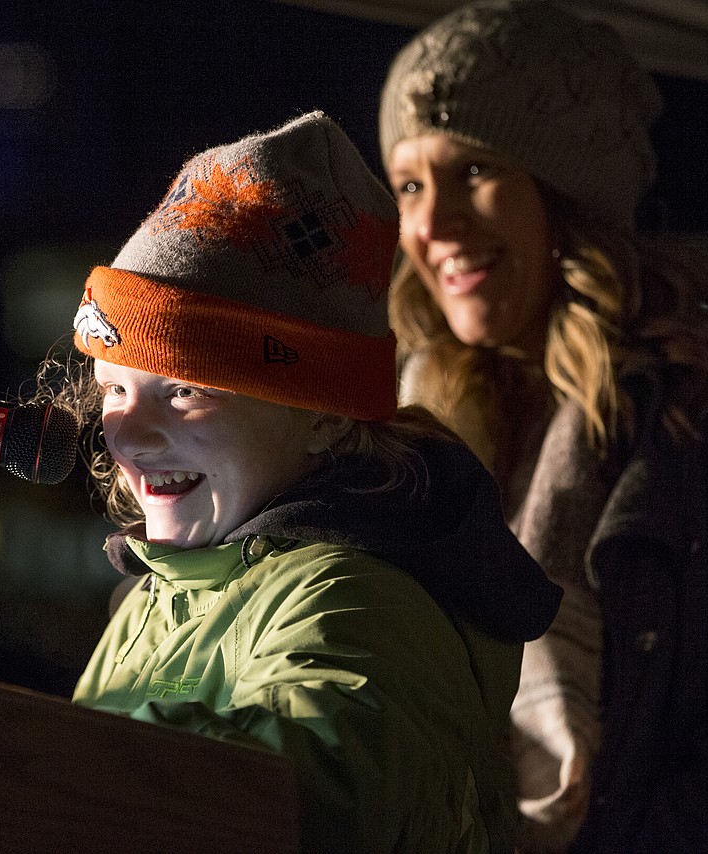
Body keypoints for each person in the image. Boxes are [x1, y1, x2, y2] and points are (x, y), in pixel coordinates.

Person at [32, 110, 561, 852]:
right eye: (115, 390)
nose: (127, 431)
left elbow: (299, 794)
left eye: (183, 390)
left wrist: (8, 750)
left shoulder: (355, 599)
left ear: (322, 416)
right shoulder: (163, 595)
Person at [378, 2, 708, 851]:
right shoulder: (407, 427)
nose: (431, 226)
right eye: (410, 186)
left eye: (474, 172)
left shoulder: (701, 415)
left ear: (570, 192)